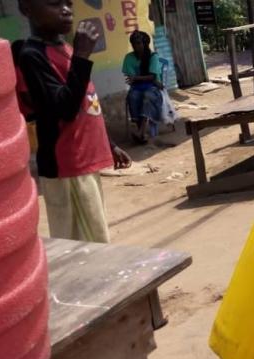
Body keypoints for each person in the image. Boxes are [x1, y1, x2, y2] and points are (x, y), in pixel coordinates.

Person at [17, 0, 132, 243]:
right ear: (27, 9)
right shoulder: (32, 56)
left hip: (83, 162)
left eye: (68, 3)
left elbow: (86, 104)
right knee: (77, 242)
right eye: (54, 4)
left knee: (96, 233)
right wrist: (81, 55)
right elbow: (64, 109)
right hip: (65, 164)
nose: (66, 9)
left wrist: (110, 145)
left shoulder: (66, 49)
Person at [122, 30, 164, 144]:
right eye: (134, 43)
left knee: (147, 96)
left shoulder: (152, 56)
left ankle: (141, 132)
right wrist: (137, 79)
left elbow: (152, 77)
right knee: (133, 97)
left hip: (152, 87)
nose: (136, 46)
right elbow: (131, 77)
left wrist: (136, 78)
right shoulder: (129, 58)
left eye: (139, 43)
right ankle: (141, 132)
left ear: (145, 44)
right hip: (137, 87)